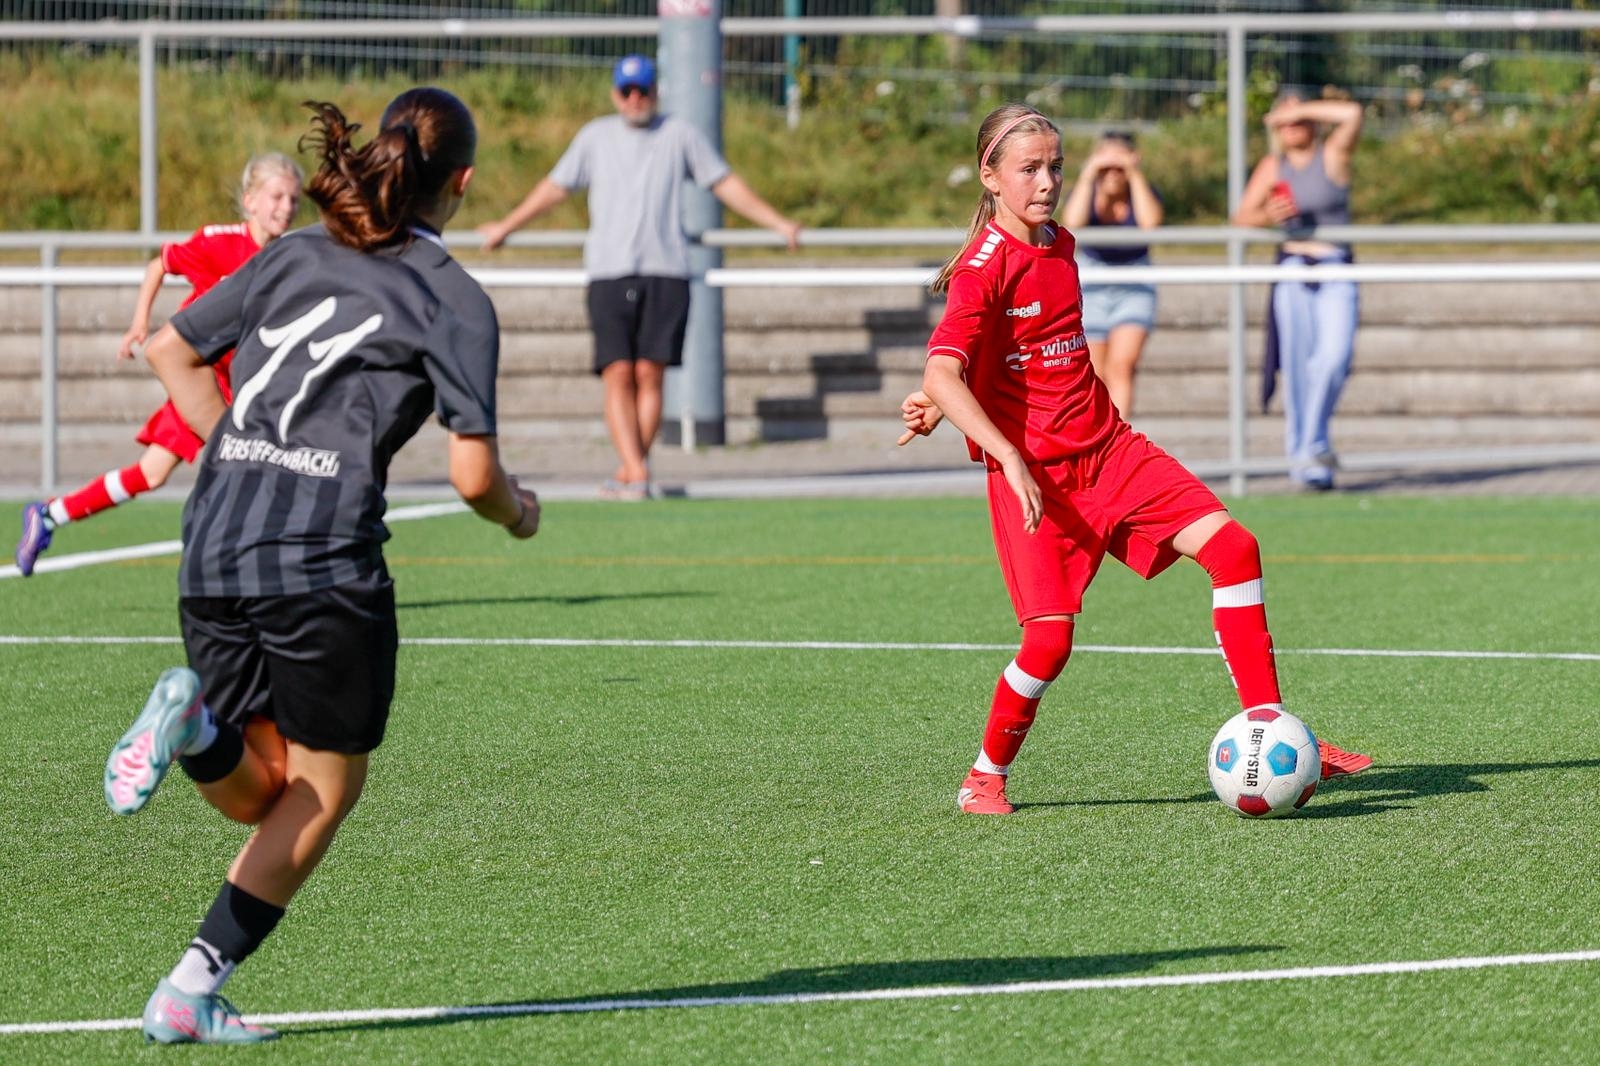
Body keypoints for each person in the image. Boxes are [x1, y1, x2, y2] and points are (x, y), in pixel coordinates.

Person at [101, 87, 541, 1045]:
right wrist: (521, 516)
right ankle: (189, 988)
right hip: (321, 563)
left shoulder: (293, 251)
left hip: (214, 542)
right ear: (462, 182)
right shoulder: (454, 297)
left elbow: (171, 350)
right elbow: (474, 478)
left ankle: (194, 731)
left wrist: (237, 452)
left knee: (265, 784)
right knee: (325, 790)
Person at [897, 103, 1371, 816]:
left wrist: (948, 399)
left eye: (1055, 166)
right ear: (989, 176)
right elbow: (942, 370)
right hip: (1040, 481)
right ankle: (984, 777)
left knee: (1235, 548)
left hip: (1111, 450)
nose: (1047, 182)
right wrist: (996, 445)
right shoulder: (980, 269)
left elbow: (1016, 355)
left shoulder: (1061, 243)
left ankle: (1270, 726)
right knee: (1048, 644)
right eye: (1029, 169)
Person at [477, 54, 802, 501]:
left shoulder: (680, 134)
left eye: (642, 91)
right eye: (627, 91)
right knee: (617, 373)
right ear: (615, 94)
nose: (635, 99)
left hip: (666, 271)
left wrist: (778, 224)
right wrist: (505, 227)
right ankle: (637, 470)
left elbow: (723, 182)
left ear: (655, 93)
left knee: (650, 374)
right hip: (609, 271)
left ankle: (631, 471)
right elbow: (555, 187)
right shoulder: (594, 136)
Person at [13, 154, 304, 576]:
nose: (286, 207)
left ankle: (50, 515)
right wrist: (139, 323)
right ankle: (258, 569)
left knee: (152, 474)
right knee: (252, 468)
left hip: (246, 389)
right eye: (277, 196)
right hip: (202, 384)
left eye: (293, 199)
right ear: (250, 200)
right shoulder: (218, 243)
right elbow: (159, 265)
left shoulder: (291, 255)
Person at [1232, 89, 1363, 491]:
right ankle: (1305, 461)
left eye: (1298, 119)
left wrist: (1295, 109)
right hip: (1292, 270)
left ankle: (1314, 443)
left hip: (1334, 268)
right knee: (1298, 370)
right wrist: (1266, 215)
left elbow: (1352, 114)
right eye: (1284, 120)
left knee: (1333, 359)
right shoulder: (1274, 165)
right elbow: (1242, 217)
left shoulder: (1332, 155)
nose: (1291, 126)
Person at [1061, 130, 1162, 417]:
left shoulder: (1143, 191)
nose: (1113, 174)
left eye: (1119, 167)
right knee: (1096, 372)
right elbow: (1072, 222)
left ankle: (1119, 435)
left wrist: (1134, 173)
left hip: (1134, 281)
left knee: (1122, 367)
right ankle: (1099, 432)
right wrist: (1089, 174)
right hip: (1093, 280)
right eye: (1107, 166)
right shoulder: (1087, 191)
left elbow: (1151, 224)